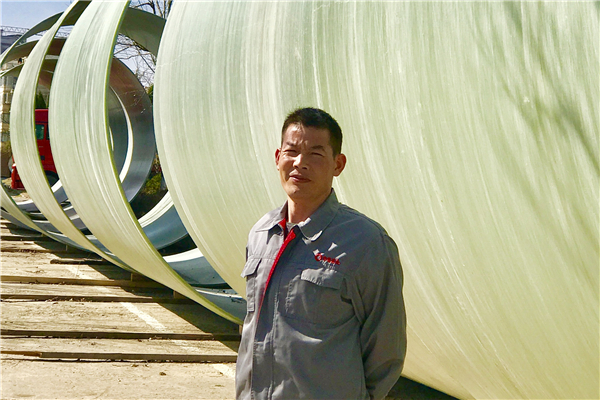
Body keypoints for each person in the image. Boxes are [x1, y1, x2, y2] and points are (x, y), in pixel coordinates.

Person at [236, 107, 406, 400]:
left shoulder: (366, 243)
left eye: (315, 154)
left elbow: (386, 348)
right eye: (291, 151)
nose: (300, 163)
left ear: (338, 164)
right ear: (277, 158)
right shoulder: (262, 234)